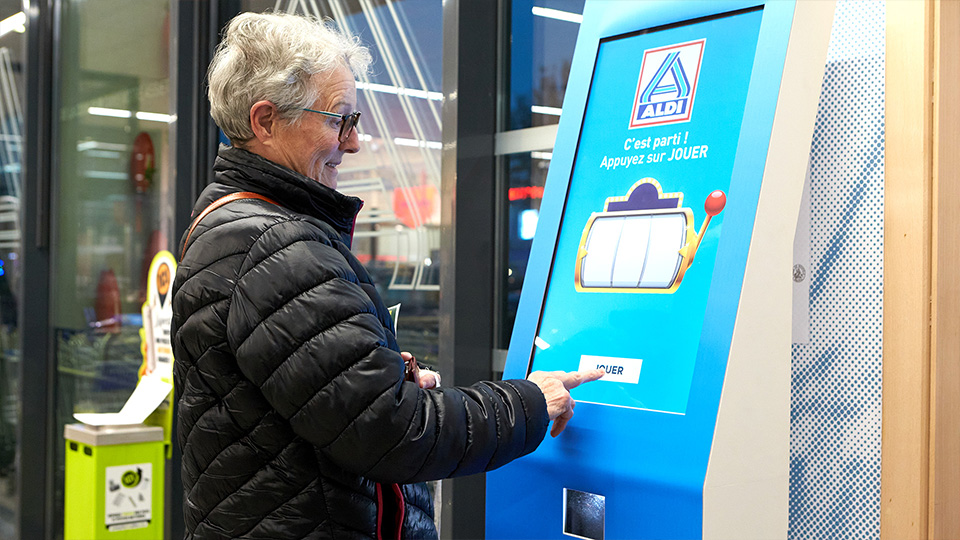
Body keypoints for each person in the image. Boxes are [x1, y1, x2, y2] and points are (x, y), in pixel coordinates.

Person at [171, 12, 603, 540]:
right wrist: (531, 400)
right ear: (265, 122)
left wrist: (378, 373)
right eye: (340, 120)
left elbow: (307, 403)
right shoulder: (276, 245)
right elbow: (393, 433)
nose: (353, 143)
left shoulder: (227, 222)